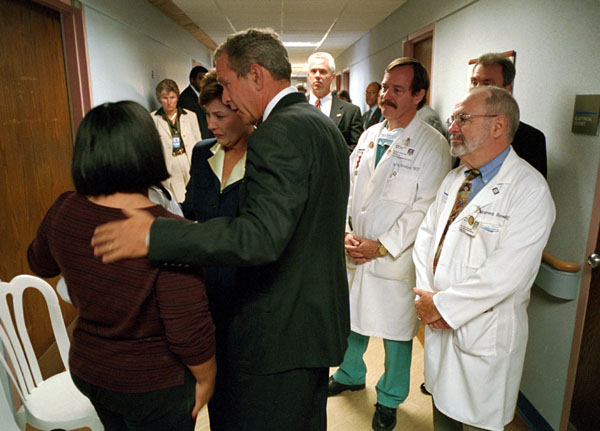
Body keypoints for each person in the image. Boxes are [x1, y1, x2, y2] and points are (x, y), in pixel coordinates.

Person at [90, 28, 350, 431]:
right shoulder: (318, 124)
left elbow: (258, 237)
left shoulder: (278, 133)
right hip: (309, 321)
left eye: (227, 84)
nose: (224, 97)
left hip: (277, 330)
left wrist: (154, 235)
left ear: (257, 75)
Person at [27, 101, 216, 431]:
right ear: (147, 151)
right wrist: (207, 377)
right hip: (152, 383)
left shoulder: (64, 209)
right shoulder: (169, 231)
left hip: (90, 369)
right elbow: (187, 328)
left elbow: (39, 263)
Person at [413, 86, 555, 431]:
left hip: (483, 333)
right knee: (443, 414)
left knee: (478, 421)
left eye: (463, 118)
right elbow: (426, 237)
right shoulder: (455, 178)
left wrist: (444, 306)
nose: (453, 126)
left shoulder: (530, 191)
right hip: (438, 318)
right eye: (454, 118)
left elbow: (506, 274)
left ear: (497, 126)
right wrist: (426, 296)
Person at [329, 58, 451, 431]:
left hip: (393, 259)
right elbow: (350, 189)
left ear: (418, 95)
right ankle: (350, 373)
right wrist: (346, 229)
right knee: (353, 321)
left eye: (397, 90)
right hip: (356, 248)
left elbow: (424, 209)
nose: (386, 96)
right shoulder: (369, 135)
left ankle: (390, 398)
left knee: (397, 334)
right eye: (385, 88)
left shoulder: (432, 145)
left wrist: (379, 246)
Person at [180, 69, 254, 431]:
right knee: (211, 388)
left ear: (242, 111)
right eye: (206, 115)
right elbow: (191, 207)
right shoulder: (201, 153)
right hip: (203, 292)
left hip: (248, 296)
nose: (210, 125)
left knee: (246, 394)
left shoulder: (265, 159)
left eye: (219, 116)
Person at [469, 52, 547, 177]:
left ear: (507, 90)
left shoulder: (531, 139)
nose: (477, 89)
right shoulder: (463, 129)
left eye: (487, 83)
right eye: (474, 82)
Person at [152, 78, 202, 203]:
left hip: (188, 158)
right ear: (159, 99)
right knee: (179, 199)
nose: (169, 102)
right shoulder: (153, 119)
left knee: (197, 195)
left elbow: (198, 141)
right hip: (170, 163)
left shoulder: (190, 116)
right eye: (165, 98)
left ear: (178, 97)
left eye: (172, 97)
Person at [307, 51, 363, 151]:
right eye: (313, 71)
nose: (317, 76)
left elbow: (357, 149)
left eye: (323, 71)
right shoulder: (294, 107)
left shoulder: (351, 112)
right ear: (308, 75)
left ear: (332, 77)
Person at [178, 65, 214, 139]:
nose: (203, 82)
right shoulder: (186, 99)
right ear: (192, 80)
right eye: (200, 78)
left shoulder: (203, 94)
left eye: (205, 79)